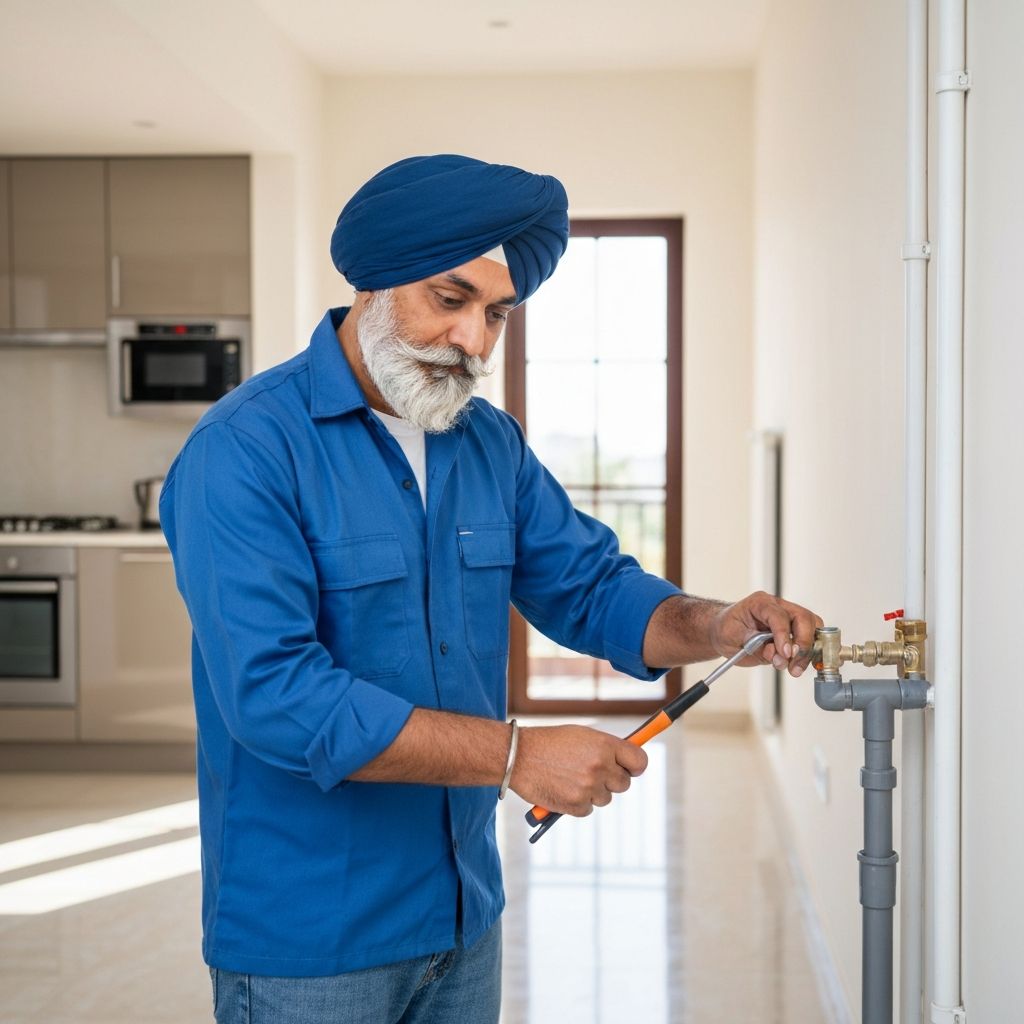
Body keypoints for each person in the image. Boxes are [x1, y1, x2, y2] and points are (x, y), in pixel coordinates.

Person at [161, 154, 822, 1024]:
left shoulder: (487, 443)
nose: (476, 340)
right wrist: (516, 755)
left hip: (464, 917)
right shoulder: (243, 450)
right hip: (310, 940)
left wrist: (716, 624)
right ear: (374, 282)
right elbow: (275, 696)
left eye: (497, 313)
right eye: (451, 299)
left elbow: (588, 587)